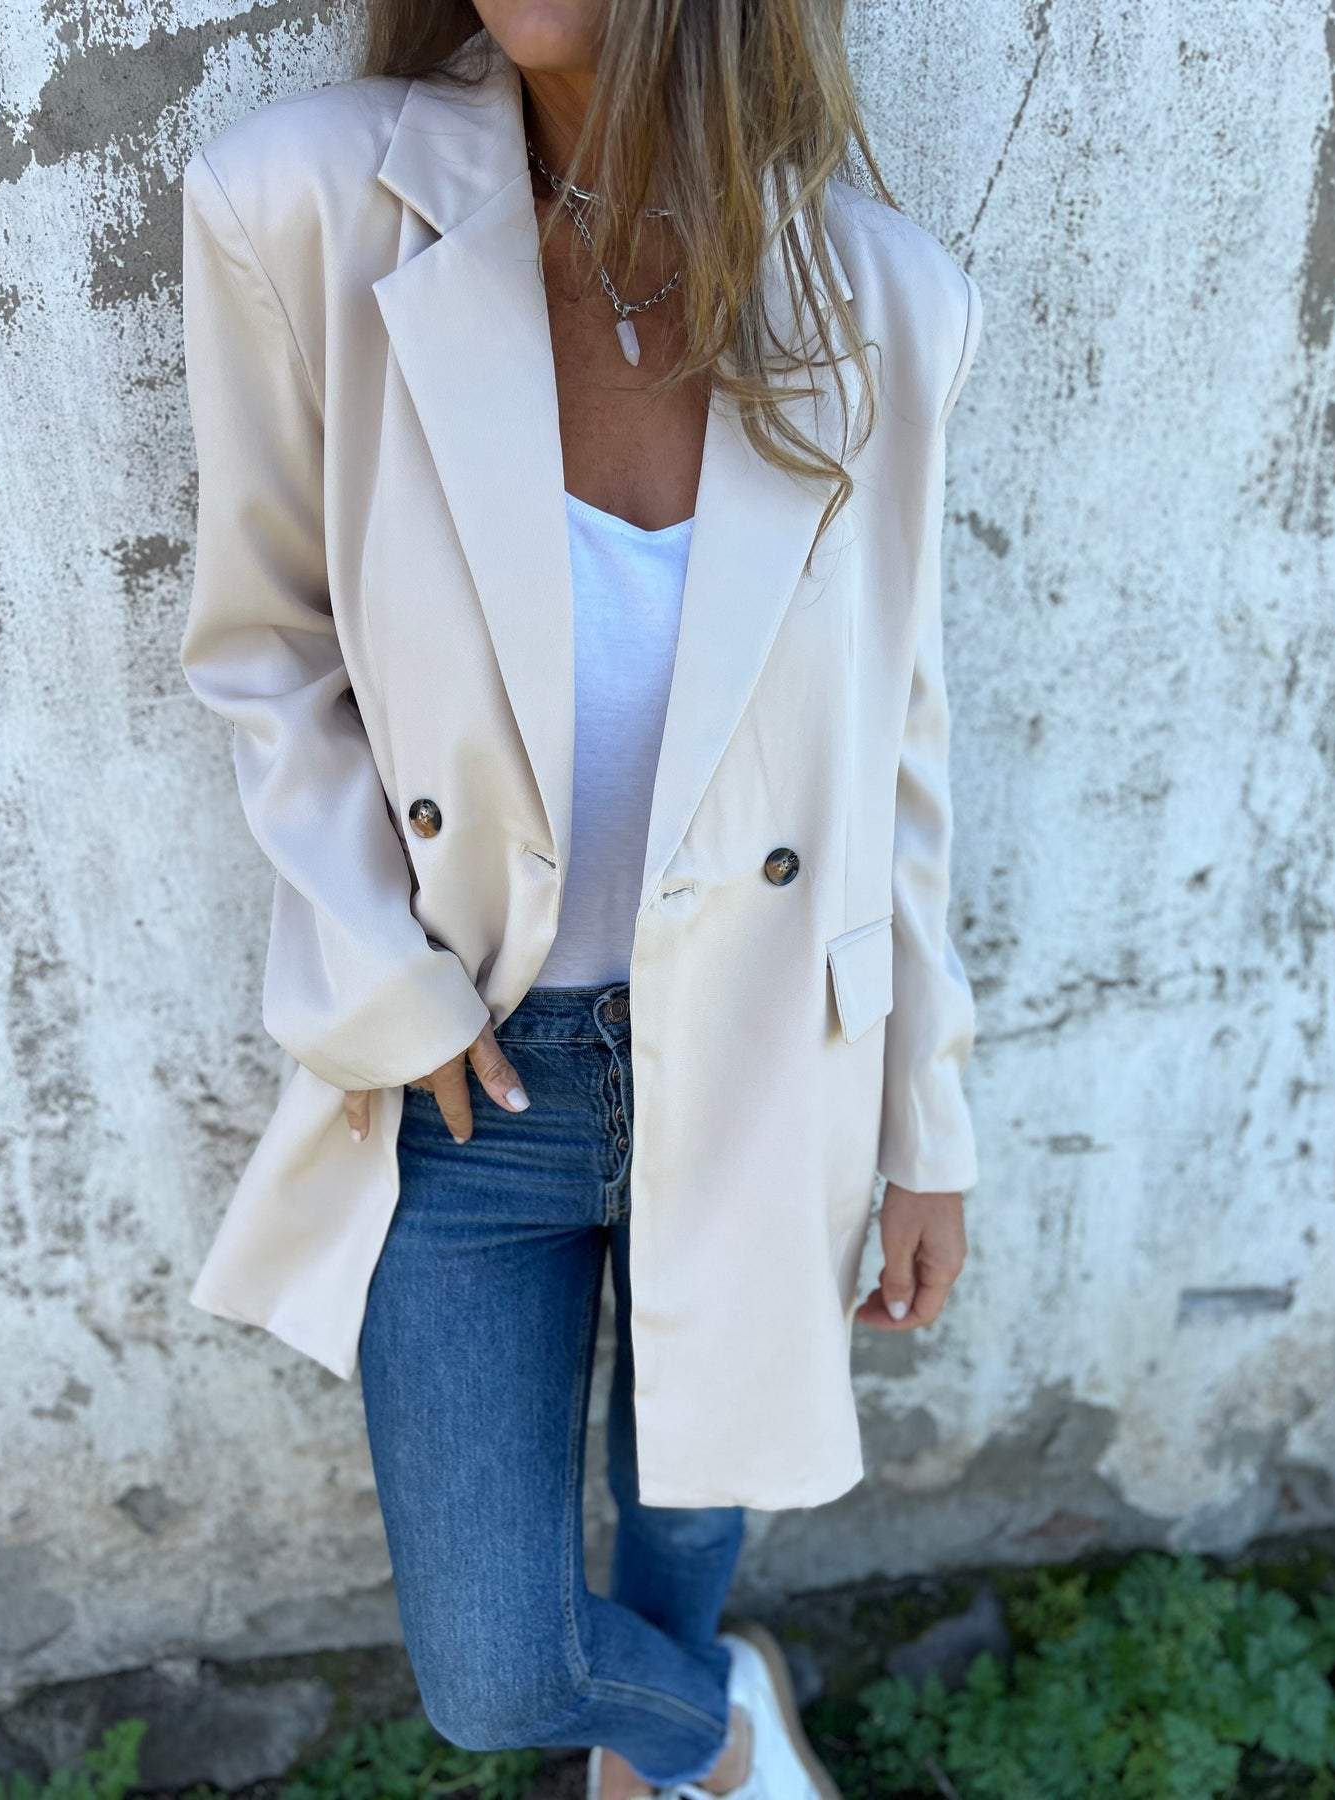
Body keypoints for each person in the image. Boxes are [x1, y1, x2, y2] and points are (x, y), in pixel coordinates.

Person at [178, 3, 984, 1795]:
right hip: (476, 1074)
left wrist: (926, 1120)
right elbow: (265, 653)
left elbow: (897, 743)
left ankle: (656, 1765)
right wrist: (388, 985)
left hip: (767, 1057)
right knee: (494, 1669)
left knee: (690, 1499)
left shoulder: (883, 298)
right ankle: (711, 1728)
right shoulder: (303, 205)